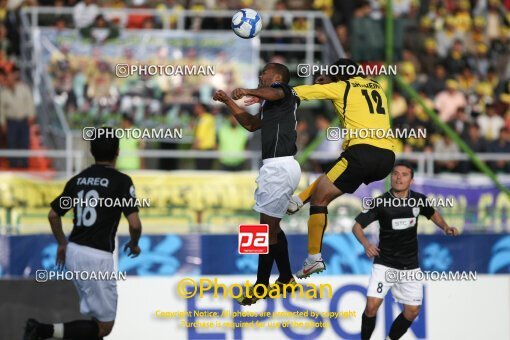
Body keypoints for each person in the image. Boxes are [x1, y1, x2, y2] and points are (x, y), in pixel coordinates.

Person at [24, 127, 143, 340]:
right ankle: (42, 330)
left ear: (91, 150)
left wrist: (62, 243)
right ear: (117, 152)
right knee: (105, 326)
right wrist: (134, 244)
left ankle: (44, 330)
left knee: (95, 323)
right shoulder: (121, 181)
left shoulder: (77, 180)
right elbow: (134, 224)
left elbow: (53, 215)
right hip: (97, 257)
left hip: (74, 251)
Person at [286, 58, 395, 279]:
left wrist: (269, 92)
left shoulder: (340, 87)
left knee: (319, 201)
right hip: (386, 157)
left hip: (361, 153)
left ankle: (313, 259)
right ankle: (297, 201)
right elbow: (353, 84)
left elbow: (301, 92)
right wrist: (333, 78)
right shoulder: (376, 86)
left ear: (338, 77)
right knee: (331, 178)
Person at [213, 63, 301, 305]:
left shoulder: (284, 92)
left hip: (280, 167)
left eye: (264, 72)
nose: (261, 75)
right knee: (272, 228)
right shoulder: (271, 103)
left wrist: (248, 91)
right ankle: (285, 278)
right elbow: (251, 125)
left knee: (264, 231)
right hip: (276, 168)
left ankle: (262, 285)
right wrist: (228, 102)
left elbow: (276, 91)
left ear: (277, 76)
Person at [352, 161, 458, 340]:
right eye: (395, 173)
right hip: (384, 264)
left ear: (411, 180)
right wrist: (366, 244)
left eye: (404, 174)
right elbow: (356, 227)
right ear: (391, 177)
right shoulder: (380, 202)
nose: (398, 177)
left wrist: (446, 227)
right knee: (371, 306)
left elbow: (432, 213)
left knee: (412, 311)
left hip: (410, 266)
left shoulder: (419, 200)